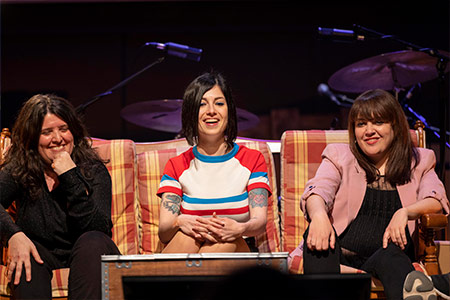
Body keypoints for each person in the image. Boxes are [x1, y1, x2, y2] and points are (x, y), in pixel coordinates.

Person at [292, 89, 449, 300]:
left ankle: (421, 288)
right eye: (361, 124)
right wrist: (319, 216)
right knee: (317, 240)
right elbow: (318, 190)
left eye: (378, 122)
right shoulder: (339, 155)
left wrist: (406, 212)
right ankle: (435, 284)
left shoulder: (419, 160)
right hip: (337, 250)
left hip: (386, 255)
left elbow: (436, 199)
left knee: (394, 259)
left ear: (395, 126)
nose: (369, 131)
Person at [0, 94, 120, 299]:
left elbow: (100, 228)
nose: (58, 138)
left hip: (88, 251)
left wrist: (69, 175)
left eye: (63, 129)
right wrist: (13, 235)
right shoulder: (21, 168)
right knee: (28, 257)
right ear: (32, 138)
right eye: (47, 132)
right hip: (41, 252)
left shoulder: (93, 170)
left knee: (93, 242)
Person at [157, 72, 270, 253]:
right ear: (191, 112)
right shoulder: (177, 165)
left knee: (224, 241)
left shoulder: (252, 159)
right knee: (186, 235)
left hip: (237, 246)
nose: (211, 111)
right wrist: (181, 221)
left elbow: (259, 222)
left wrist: (239, 228)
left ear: (229, 110)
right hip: (188, 246)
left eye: (219, 103)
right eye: (202, 104)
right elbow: (164, 231)